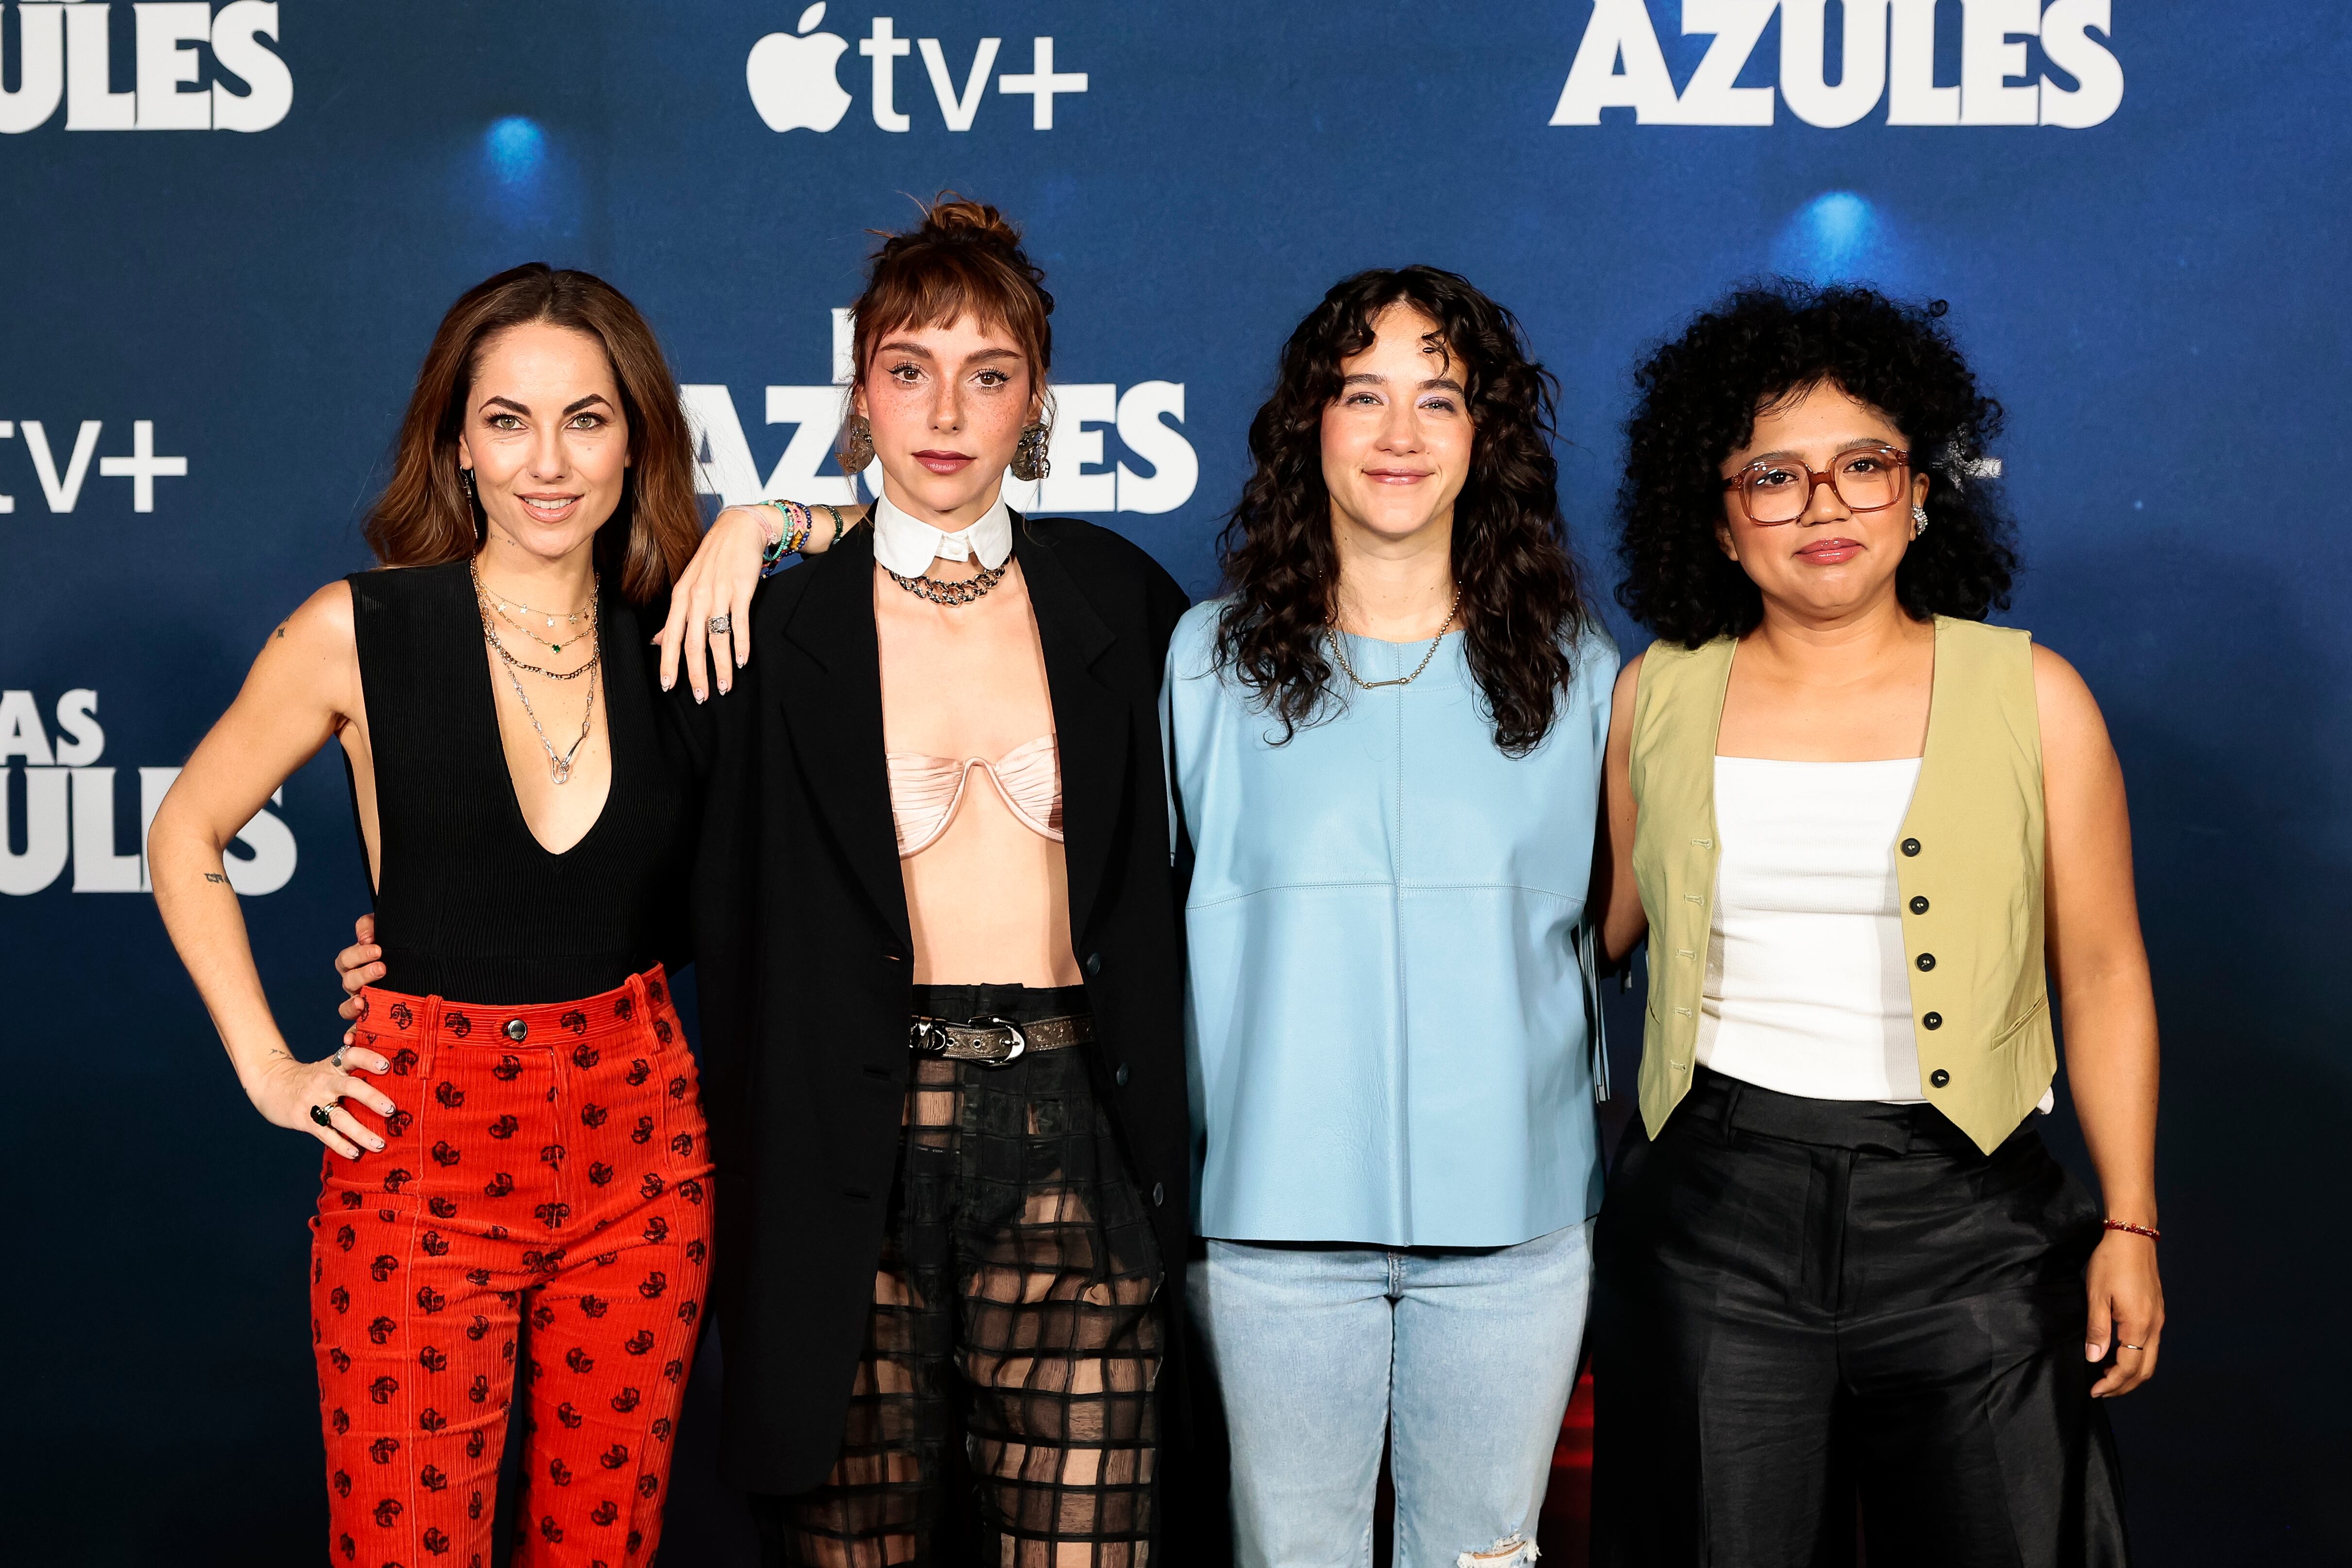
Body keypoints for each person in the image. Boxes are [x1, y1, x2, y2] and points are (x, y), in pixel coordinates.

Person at [151, 263, 733, 1566]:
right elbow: (185, 831)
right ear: (457, 442)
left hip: (645, 1153)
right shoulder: (359, 629)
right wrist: (267, 1064)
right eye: (508, 420)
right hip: (421, 1154)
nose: (548, 461)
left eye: (586, 418)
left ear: (635, 440)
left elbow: (915, 547)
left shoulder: (687, 626)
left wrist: (766, 526)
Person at [1589, 283, 2161, 1567]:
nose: (1823, 506)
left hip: (1970, 1223)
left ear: (1917, 492)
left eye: (1861, 465)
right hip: (1709, 1222)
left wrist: (2128, 1220)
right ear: (1722, 521)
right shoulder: (1653, 694)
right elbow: (1594, 935)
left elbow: (2105, 970)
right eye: (1773, 476)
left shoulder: (2033, 694)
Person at [662, 197, 1195, 1566]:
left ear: (1038, 403)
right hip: (844, 1138)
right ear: (859, 394)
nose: (946, 410)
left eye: (989, 373)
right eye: (909, 369)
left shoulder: (1122, 601)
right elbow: (644, 859)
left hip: (1074, 1129)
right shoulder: (771, 619)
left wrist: (785, 515)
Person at [1163, 267, 1614, 1568]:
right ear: (1310, 423)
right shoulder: (1205, 660)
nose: (1401, 436)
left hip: (1517, 1231)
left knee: (1484, 1557)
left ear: (1487, 437)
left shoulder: (1581, 669)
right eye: (1363, 395)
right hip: (1267, 1226)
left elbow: (1624, 930)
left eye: (1439, 399)